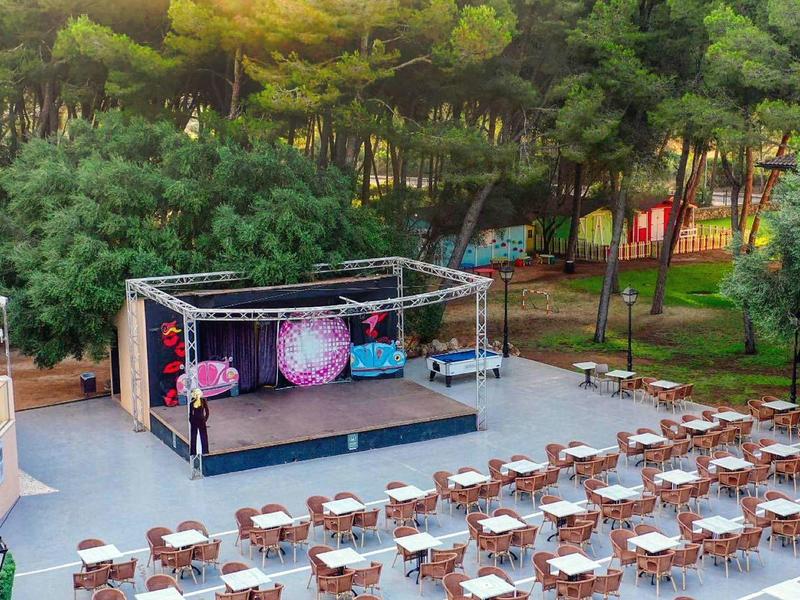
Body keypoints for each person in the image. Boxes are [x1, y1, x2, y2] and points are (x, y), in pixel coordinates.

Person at [189, 388, 210, 456]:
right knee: (193, 435)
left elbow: (207, 411)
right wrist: (191, 420)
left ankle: (205, 451)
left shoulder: (203, 400)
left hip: (201, 419)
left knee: (203, 435)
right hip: (194, 419)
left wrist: (205, 419)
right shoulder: (192, 401)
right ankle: (193, 452)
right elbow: (190, 413)